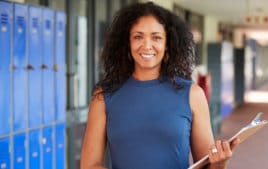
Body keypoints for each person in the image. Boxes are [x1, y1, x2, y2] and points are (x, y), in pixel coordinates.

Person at [80, 2, 239, 169]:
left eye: (156, 37)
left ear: (167, 45)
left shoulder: (192, 94)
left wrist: (219, 164)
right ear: (127, 43)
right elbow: (89, 165)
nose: (147, 45)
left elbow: (206, 164)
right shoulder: (104, 96)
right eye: (138, 36)